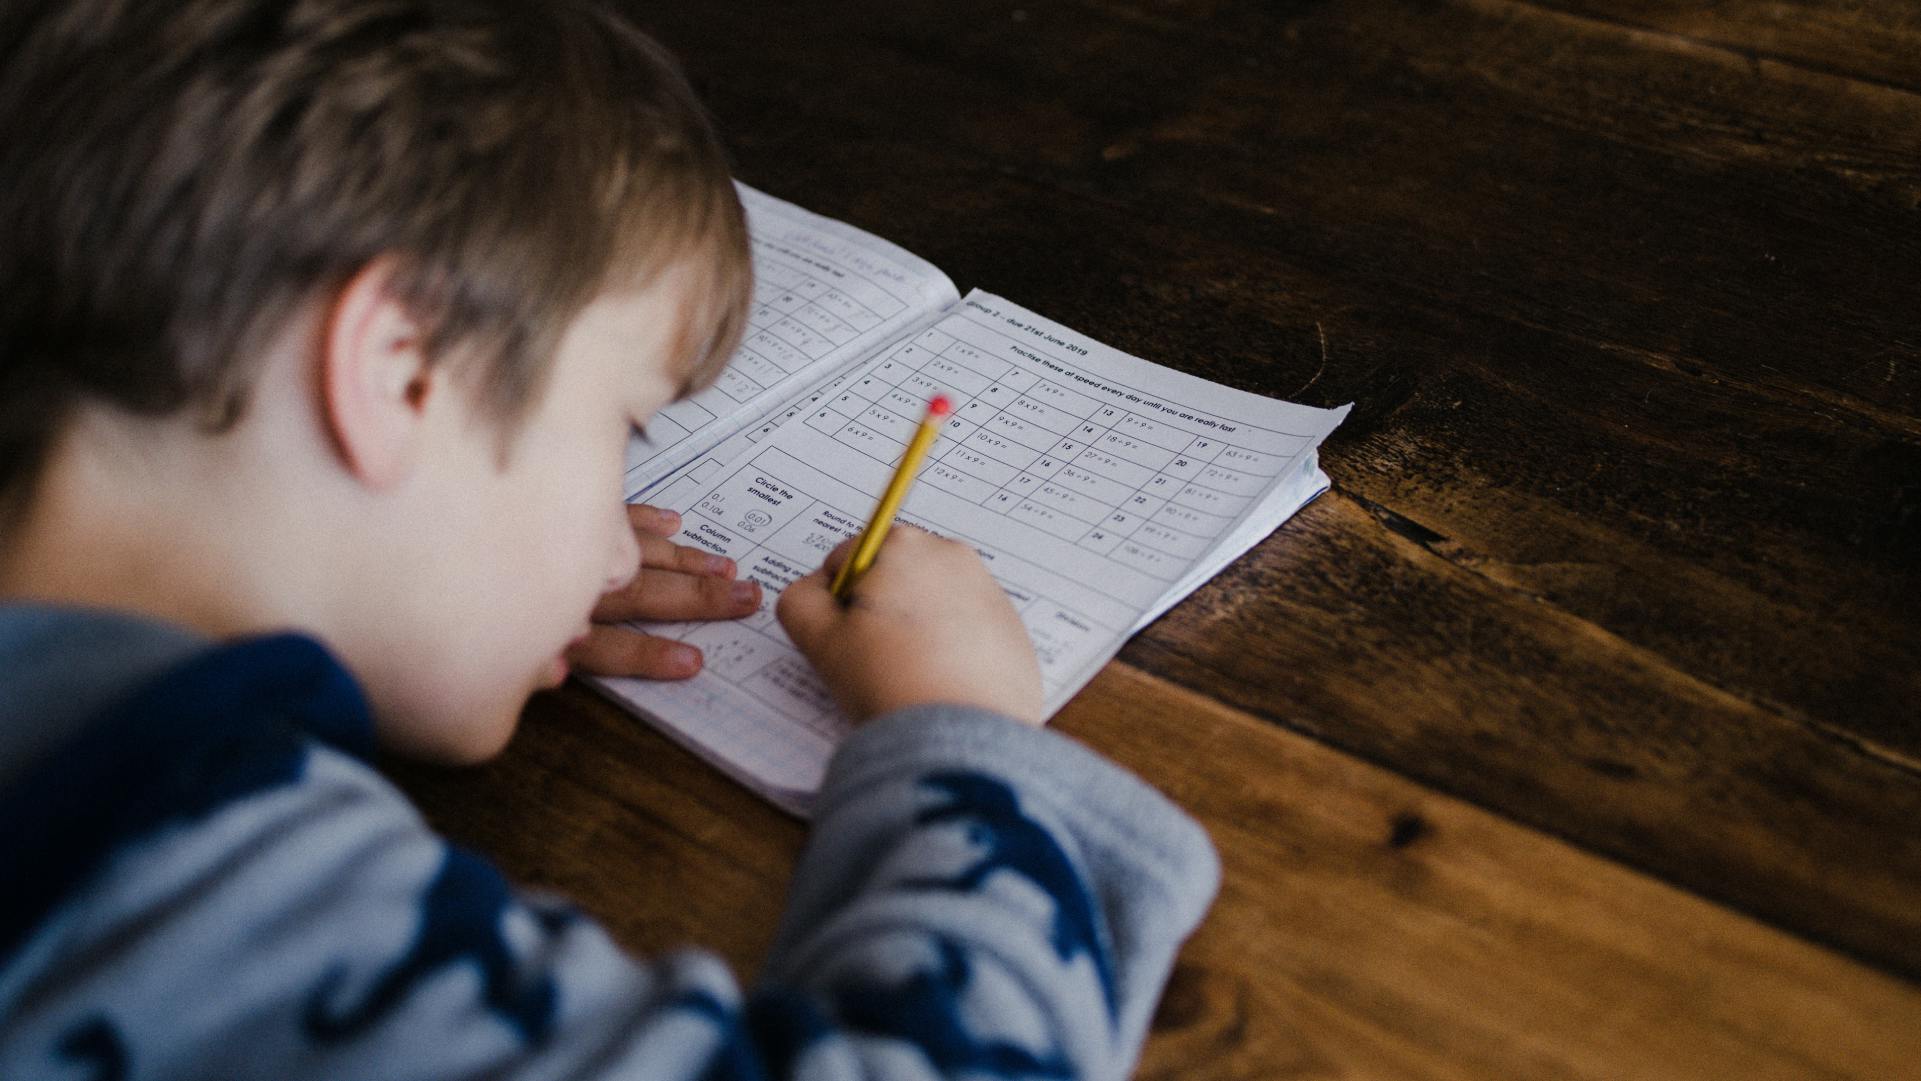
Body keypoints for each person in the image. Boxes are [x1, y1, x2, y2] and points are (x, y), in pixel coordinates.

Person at [0, 2, 1219, 1078]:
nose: (620, 553)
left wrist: (428, 591)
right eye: (622, 427)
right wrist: (964, 739)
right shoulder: (186, 883)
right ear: (403, 372)